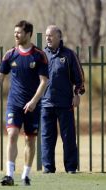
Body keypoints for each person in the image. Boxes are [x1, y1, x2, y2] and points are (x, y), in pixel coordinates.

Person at [0, 20, 48, 186]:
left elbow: (44, 81)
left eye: (19, 32)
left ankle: (26, 174)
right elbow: (0, 77)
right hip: (14, 103)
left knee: (30, 140)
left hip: (32, 105)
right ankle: (9, 175)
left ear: (28, 34)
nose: (16, 35)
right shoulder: (10, 54)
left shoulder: (39, 55)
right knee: (12, 135)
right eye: (15, 32)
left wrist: (34, 101)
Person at [41, 25, 85, 174]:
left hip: (65, 104)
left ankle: (71, 168)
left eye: (51, 35)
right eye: (46, 35)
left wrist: (77, 94)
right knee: (47, 138)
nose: (48, 38)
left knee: (68, 138)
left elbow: (79, 78)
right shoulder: (41, 55)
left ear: (59, 37)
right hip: (46, 104)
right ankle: (48, 168)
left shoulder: (69, 55)